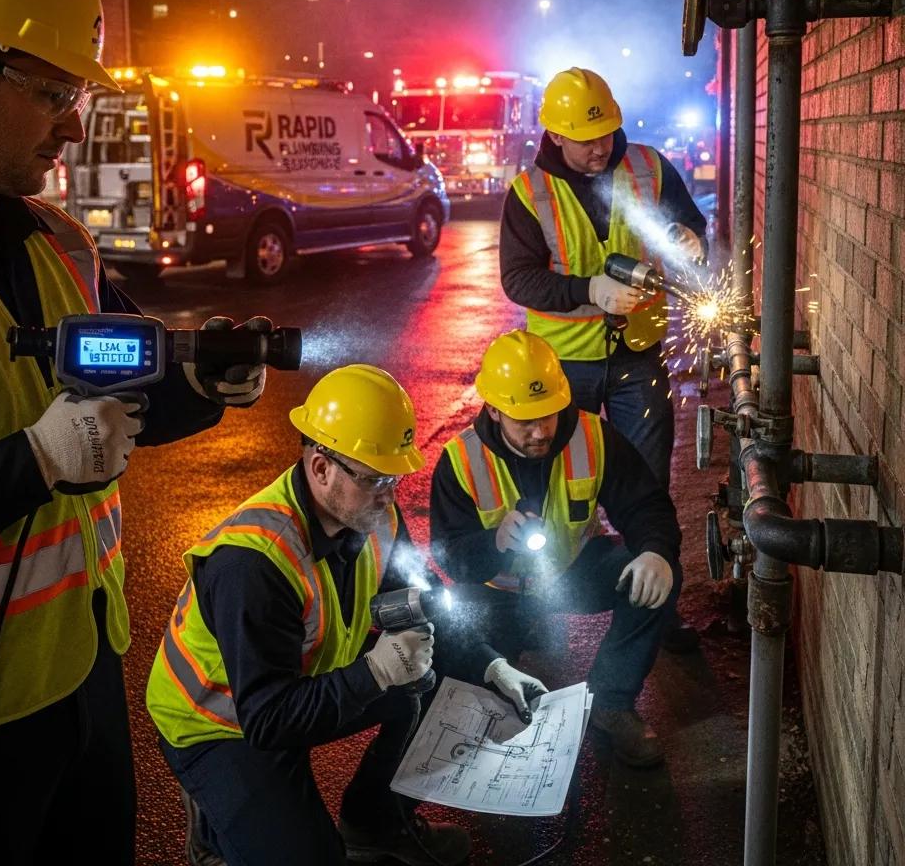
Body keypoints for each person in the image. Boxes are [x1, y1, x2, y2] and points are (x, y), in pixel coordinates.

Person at [0, 0, 267, 865]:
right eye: (54, 91)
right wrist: (34, 462)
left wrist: (205, 380)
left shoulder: (60, 242)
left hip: (82, 683)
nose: (74, 123)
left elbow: (127, 395)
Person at [147, 364, 547, 866]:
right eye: (377, 478)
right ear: (320, 467)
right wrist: (373, 671)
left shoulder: (373, 513)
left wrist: (493, 667)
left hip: (294, 682)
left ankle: (374, 825)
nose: (390, 495)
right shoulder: (253, 563)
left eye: (396, 478)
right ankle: (219, 819)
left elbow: (424, 604)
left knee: (428, 680)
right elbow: (269, 722)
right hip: (220, 722)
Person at [499, 67, 706, 651]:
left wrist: (691, 237)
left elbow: (689, 222)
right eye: (586, 138)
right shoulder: (528, 192)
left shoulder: (648, 166)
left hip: (638, 357)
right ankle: (531, 613)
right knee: (545, 489)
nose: (601, 147)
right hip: (561, 369)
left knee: (647, 489)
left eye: (608, 133)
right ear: (555, 136)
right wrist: (589, 290)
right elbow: (518, 280)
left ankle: (658, 610)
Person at [430, 331, 683, 768]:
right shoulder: (459, 461)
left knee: (656, 578)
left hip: (573, 571)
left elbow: (645, 503)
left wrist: (655, 551)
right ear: (493, 409)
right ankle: (492, 694)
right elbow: (451, 556)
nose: (540, 430)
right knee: (452, 641)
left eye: (548, 415)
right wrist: (494, 543)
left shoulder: (592, 434)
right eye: (525, 420)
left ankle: (611, 704)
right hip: (496, 591)